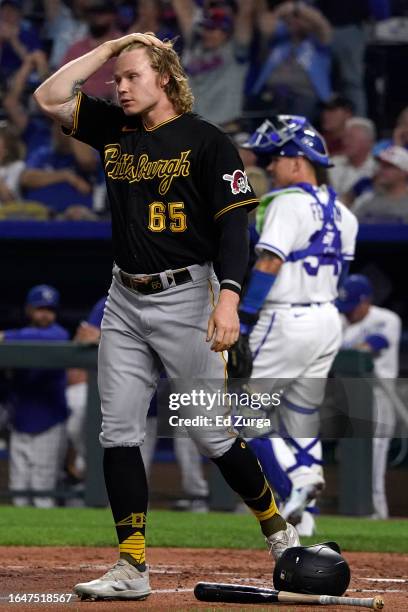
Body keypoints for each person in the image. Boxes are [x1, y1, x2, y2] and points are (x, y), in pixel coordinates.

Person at [34, 31, 299, 601]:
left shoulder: (208, 142)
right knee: (119, 431)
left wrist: (229, 297)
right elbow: (49, 96)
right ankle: (132, 566)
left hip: (189, 296)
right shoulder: (114, 127)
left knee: (210, 432)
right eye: (117, 79)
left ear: (166, 78)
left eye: (132, 76)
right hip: (125, 296)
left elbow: (235, 227)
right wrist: (110, 49)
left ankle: (278, 531)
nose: (120, 87)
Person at [228, 115, 358, 537]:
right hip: (327, 319)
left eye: (275, 158)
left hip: (286, 317)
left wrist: (243, 319)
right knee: (301, 414)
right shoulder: (344, 213)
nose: (267, 166)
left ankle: (293, 487)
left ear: (298, 160)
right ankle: (307, 501)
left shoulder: (285, 202)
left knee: (242, 416)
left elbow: (269, 263)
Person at [336, 274, 401, 519]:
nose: (349, 313)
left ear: (365, 301)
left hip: (379, 397)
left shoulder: (386, 318)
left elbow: (373, 345)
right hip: (351, 399)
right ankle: (360, 512)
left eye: (353, 307)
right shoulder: (341, 320)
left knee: (374, 457)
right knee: (351, 459)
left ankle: (376, 513)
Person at [0, 285, 69, 508]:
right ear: (29, 310)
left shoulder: (58, 334)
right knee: (18, 489)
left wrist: (6, 336)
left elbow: (53, 339)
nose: (45, 314)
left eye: (50, 309)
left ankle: (49, 543)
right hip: (20, 420)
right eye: (40, 308)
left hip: (49, 422)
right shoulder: (19, 339)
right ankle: (19, 542)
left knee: (43, 490)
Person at [246, 1, 332, 123]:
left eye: (300, 19)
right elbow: (265, 25)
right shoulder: (275, 42)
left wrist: (299, 9)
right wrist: (280, 13)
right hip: (273, 94)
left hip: (305, 95)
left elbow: (322, 26)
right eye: (290, 19)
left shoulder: (318, 43)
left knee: (296, 121)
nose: (294, 21)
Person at [173, 0, 256, 126]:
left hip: (225, 129)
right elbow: (182, 7)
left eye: (213, 29)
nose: (207, 33)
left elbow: (246, 11)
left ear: (226, 32)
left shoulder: (235, 50)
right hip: (194, 128)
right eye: (206, 27)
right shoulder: (194, 46)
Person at [329, 117, 377, 208]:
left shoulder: (377, 170)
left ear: (368, 142)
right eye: (345, 137)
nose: (346, 142)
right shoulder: (332, 164)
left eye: (351, 138)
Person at [353, 145, 408, 223]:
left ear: (404, 172)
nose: (382, 170)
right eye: (381, 166)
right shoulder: (366, 200)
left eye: (389, 167)